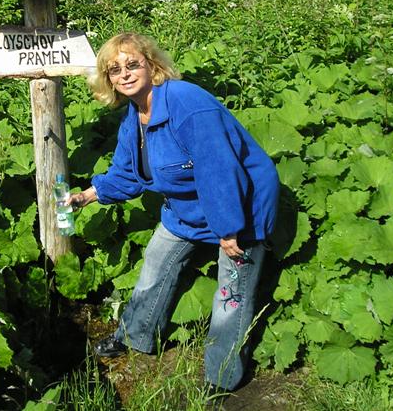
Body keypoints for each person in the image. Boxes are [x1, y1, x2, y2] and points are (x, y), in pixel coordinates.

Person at [68, 32, 280, 393]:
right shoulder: (135, 115)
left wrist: (229, 229)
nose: (125, 73)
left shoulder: (186, 103)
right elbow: (127, 172)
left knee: (231, 297)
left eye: (132, 64)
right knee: (155, 262)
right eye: (115, 69)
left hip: (240, 207)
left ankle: (221, 378)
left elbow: (219, 168)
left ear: (152, 65)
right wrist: (89, 195)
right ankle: (134, 336)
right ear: (108, 80)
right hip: (187, 208)